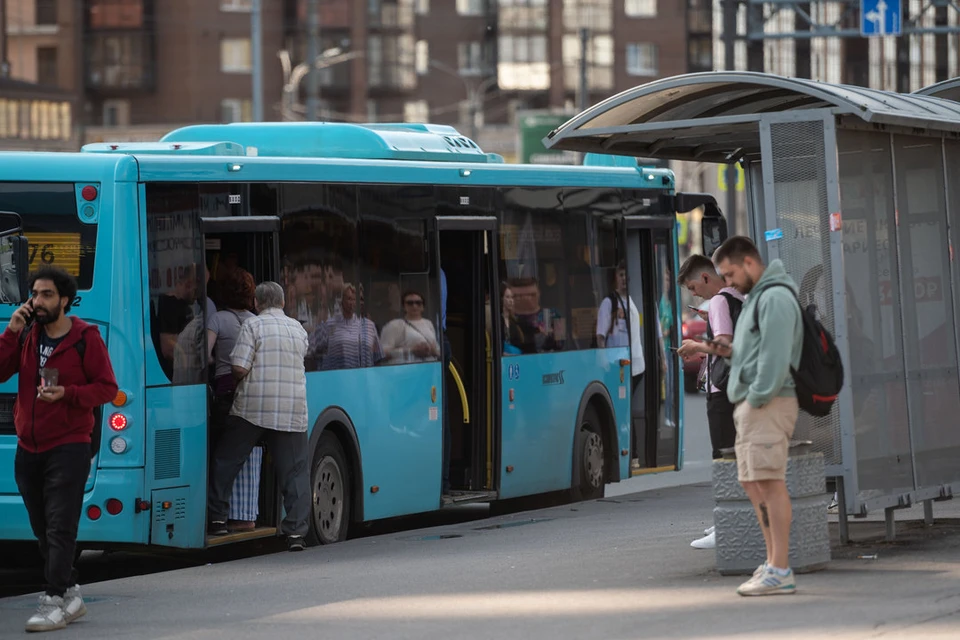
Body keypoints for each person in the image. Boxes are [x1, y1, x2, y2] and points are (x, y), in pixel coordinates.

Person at [0, 266, 118, 631]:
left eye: (46, 294)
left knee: (60, 525)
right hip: (28, 446)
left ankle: (52, 599)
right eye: (35, 294)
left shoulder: (85, 337)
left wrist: (68, 394)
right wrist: (11, 331)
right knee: (41, 527)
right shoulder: (26, 335)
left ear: (64, 300)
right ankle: (71, 593)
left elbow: (106, 388)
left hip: (69, 444)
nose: (37, 301)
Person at [703, 236, 803, 596]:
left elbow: (775, 359)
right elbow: (746, 352)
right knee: (753, 481)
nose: (727, 283)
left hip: (768, 402)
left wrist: (757, 396)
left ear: (748, 262)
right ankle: (773, 562)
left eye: (729, 274)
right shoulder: (759, 297)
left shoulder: (774, 297)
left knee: (769, 481)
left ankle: (780, 567)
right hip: (753, 402)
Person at [207, 282, 311, 551]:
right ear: (284, 302)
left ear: (256, 302)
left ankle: (218, 519)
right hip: (291, 409)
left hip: (253, 408)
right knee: (295, 472)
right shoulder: (298, 328)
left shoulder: (252, 326)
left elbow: (239, 367)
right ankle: (296, 533)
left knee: (226, 461)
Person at [676, 254, 745, 550]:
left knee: (725, 458)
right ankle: (731, 519)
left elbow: (726, 346)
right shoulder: (736, 296)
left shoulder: (718, 301)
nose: (694, 295)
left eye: (693, 287)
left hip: (721, 391)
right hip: (737, 388)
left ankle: (730, 523)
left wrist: (696, 345)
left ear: (705, 278)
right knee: (737, 457)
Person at [206, 268, 261, 532]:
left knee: (220, 457)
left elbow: (204, 355)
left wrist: (218, 361)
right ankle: (247, 513)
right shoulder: (256, 320)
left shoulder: (217, 319)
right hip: (252, 394)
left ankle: (217, 517)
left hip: (226, 393)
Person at [595, 262, 645, 471]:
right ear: (614, 279)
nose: (625, 279)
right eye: (621, 275)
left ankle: (631, 453)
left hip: (637, 364)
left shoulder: (631, 300)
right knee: (624, 410)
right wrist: (605, 361)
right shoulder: (609, 303)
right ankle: (630, 454)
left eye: (626, 275)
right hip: (619, 366)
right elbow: (600, 335)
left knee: (625, 409)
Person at [308, 283, 383, 371]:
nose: (352, 303)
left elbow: (378, 358)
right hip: (339, 379)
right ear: (341, 301)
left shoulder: (369, 326)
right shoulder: (329, 325)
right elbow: (309, 349)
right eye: (349, 299)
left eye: (355, 299)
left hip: (365, 379)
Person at [156, 265, 198, 379]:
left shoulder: (183, 306)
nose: (197, 296)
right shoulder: (170, 305)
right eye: (196, 290)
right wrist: (186, 366)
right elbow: (168, 349)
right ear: (188, 285)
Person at [380, 289, 440, 363]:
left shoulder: (428, 323)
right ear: (404, 307)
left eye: (418, 303)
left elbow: (437, 350)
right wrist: (411, 350)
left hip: (429, 368)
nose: (414, 306)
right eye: (410, 303)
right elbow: (382, 353)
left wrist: (433, 351)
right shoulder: (394, 325)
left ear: (423, 307)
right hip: (406, 370)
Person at [500, 283, 525, 356]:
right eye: (507, 297)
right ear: (502, 299)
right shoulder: (498, 320)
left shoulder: (515, 321)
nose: (511, 300)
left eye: (512, 297)